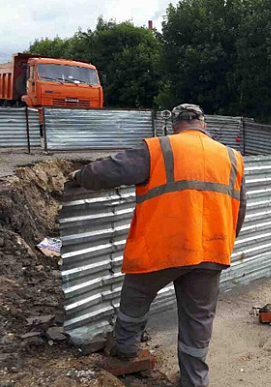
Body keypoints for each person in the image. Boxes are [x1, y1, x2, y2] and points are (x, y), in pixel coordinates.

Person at [69, 103, 246, 387]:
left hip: (162, 248)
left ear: (174, 125)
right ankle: (194, 381)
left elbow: (109, 171)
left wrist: (79, 176)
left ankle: (126, 354)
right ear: (204, 125)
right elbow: (240, 210)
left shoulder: (160, 149)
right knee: (198, 323)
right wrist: (223, 245)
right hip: (213, 250)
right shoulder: (232, 157)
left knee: (134, 302)